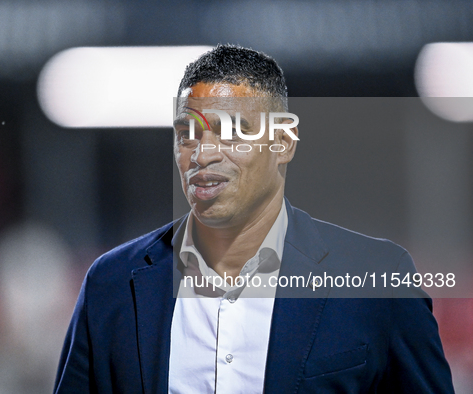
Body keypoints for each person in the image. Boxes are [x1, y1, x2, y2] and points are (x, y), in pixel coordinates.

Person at [53, 45, 454, 393]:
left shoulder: (378, 280)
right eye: (187, 134)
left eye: (230, 133)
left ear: (282, 143)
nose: (201, 155)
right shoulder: (112, 285)